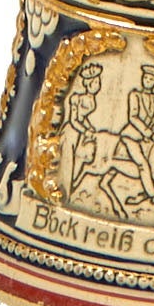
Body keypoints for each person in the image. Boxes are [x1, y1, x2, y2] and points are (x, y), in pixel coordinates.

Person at [116, 64, 154, 212]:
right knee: (143, 164)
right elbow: (133, 117)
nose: (148, 81)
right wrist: (149, 132)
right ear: (142, 78)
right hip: (131, 136)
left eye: (151, 79)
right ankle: (153, 196)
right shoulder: (135, 95)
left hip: (144, 139)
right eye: (146, 78)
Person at [58, 62, 103, 203]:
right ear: (88, 84)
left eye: (98, 82)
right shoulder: (77, 98)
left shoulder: (92, 100)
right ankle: (64, 190)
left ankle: (69, 191)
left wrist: (90, 128)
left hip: (79, 133)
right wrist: (86, 130)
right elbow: (74, 120)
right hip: (71, 132)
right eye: (95, 82)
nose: (98, 85)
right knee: (68, 161)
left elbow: (83, 118)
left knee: (77, 162)